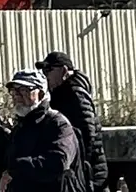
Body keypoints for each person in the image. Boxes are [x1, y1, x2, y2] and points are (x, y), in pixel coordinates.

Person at [0, 69, 82, 192]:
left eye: (23, 90)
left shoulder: (57, 123)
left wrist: (14, 170)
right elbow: (14, 160)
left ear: (40, 94)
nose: (16, 95)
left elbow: (58, 162)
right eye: (14, 90)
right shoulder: (21, 125)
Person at [38, 50, 108, 192]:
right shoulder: (61, 93)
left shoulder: (74, 93)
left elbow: (87, 131)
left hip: (87, 167)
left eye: (49, 69)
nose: (45, 75)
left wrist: (80, 164)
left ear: (64, 71)